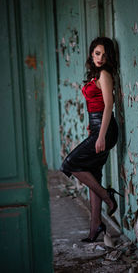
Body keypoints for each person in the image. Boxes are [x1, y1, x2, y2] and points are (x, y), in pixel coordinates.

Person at [60, 37, 122, 242]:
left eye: (104, 55)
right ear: (91, 53)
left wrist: (101, 135)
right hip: (96, 128)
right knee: (93, 175)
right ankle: (95, 226)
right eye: (97, 53)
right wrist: (94, 131)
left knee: (70, 164)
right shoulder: (96, 73)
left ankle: (107, 197)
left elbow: (108, 106)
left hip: (105, 130)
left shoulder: (104, 74)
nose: (100, 58)